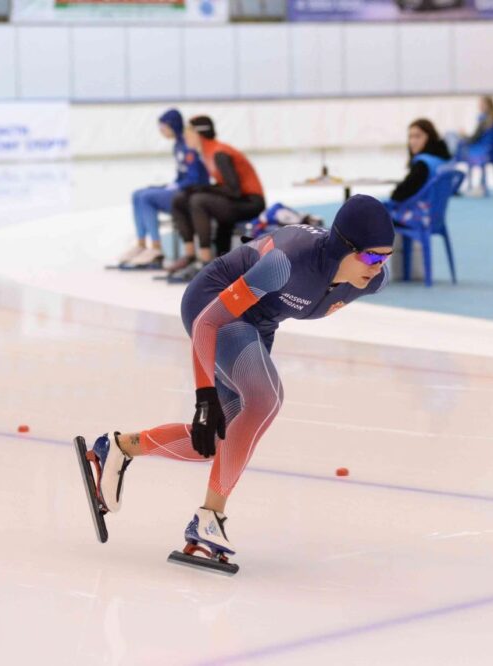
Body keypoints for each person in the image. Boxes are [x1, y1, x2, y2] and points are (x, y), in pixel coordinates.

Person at [78, 195, 394, 570]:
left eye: (386, 258)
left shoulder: (370, 282)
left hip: (258, 325)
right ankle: (209, 518)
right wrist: (204, 398)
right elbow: (207, 323)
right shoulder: (286, 263)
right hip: (212, 305)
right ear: (346, 246)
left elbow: (279, 308)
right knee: (264, 400)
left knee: (214, 444)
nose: (379, 268)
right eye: (372, 257)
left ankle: (118, 447)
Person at [166, 116, 266, 282]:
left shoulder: (219, 152)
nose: (185, 137)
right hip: (238, 199)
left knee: (198, 200)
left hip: (250, 202)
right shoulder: (206, 152)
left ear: (199, 134)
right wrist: (202, 188)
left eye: (188, 132)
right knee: (181, 199)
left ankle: (204, 261)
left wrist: (204, 189)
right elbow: (224, 187)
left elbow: (234, 190)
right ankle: (190, 255)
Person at [116, 109, 208, 269]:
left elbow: (194, 178)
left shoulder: (188, 145)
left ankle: (156, 249)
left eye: (163, 127)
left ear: (173, 126)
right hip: (180, 188)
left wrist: (176, 186)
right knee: (137, 194)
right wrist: (168, 186)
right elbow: (181, 175)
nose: (161, 131)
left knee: (146, 197)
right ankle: (141, 244)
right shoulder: (178, 145)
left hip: (189, 193)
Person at [388, 118, 452, 205]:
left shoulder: (423, 164)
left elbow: (398, 195)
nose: (412, 141)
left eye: (418, 136)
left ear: (430, 137)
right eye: (410, 137)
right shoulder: (443, 160)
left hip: (415, 213)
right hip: (434, 213)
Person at [454, 96, 493, 194]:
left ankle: (465, 184)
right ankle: (480, 184)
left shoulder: (484, 120)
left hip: (483, 153)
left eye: (481, 104)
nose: (479, 106)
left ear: (487, 105)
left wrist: (463, 136)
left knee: (461, 146)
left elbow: (474, 138)